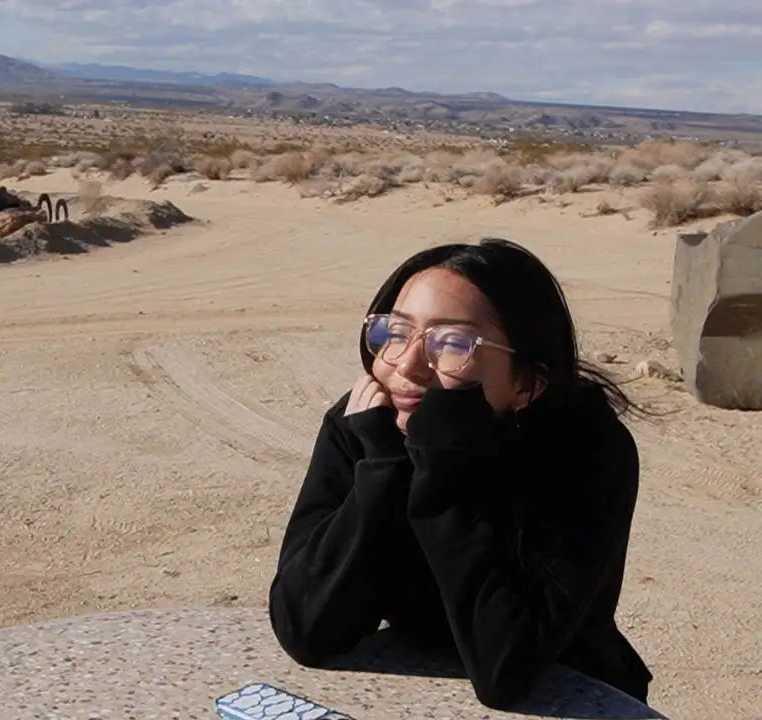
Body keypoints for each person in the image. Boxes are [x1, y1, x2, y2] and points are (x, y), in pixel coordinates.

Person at [267, 238, 654, 710]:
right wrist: (382, 471)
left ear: (527, 384)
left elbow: (506, 670)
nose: (407, 365)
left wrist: (442, 469)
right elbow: (305, 629)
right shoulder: (366, 428)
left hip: (574, 693)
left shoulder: (586, 451)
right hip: (413, 688)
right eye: (395, 331)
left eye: (452, 343)